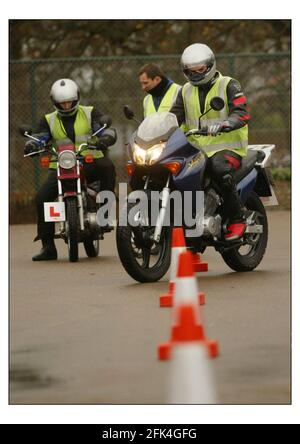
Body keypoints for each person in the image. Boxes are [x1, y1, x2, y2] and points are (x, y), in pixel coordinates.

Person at [24, 78, 117, 261]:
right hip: (61, 166)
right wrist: (32, 145)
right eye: (62, 103)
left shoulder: (90, 113)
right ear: (54, 102)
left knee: (108, 167)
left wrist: (105, 137)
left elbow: (104, 127)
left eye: (69, 102)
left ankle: (104, 214)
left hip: (88, 161)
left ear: (77, 98)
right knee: (42, 197)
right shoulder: (48, 120)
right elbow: (40, 136)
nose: (66, 106)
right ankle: (48, 246)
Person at [170, 43, 250, 241]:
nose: (196, 74)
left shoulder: (229, 84)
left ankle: (238, 218)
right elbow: (173, 117)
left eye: (200, 69)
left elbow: (242, 111)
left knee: (219, 170)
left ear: (210, 65)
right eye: (191, 70)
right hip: (196, 148)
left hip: (228, 147)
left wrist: (228, 123)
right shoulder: (184, 91)